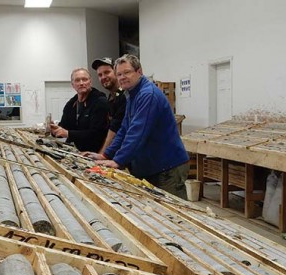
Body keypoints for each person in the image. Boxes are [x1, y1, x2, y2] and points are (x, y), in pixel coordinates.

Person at [84, 55, 189, 199]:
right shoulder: (132, 94)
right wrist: (106, 155)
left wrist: (118, 160)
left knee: (175, 216)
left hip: (166, 169)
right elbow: (125, 129)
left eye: (127, 72)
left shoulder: (148, 95)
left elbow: (137, 132)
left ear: (139, 71)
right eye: (119, 74)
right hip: (152, 167)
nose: (122, 77)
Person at [50, 68, 109, 152]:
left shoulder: (100, 102)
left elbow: (96, 134)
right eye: (77, 80)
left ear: (90, 82)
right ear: (72, 84)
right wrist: (54, 130)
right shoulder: (71, 104)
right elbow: (64, 127)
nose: (81, 83)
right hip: (75, 151)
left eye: (84, 79)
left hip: (93, 153)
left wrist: (68, 133)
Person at [91, 57, 127, 153]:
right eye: (100, 75)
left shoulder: (124, 95)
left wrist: (102, 154)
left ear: (116, 72)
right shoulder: (111, 97)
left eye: (107, 72)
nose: (103, 77)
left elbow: (115, 129)